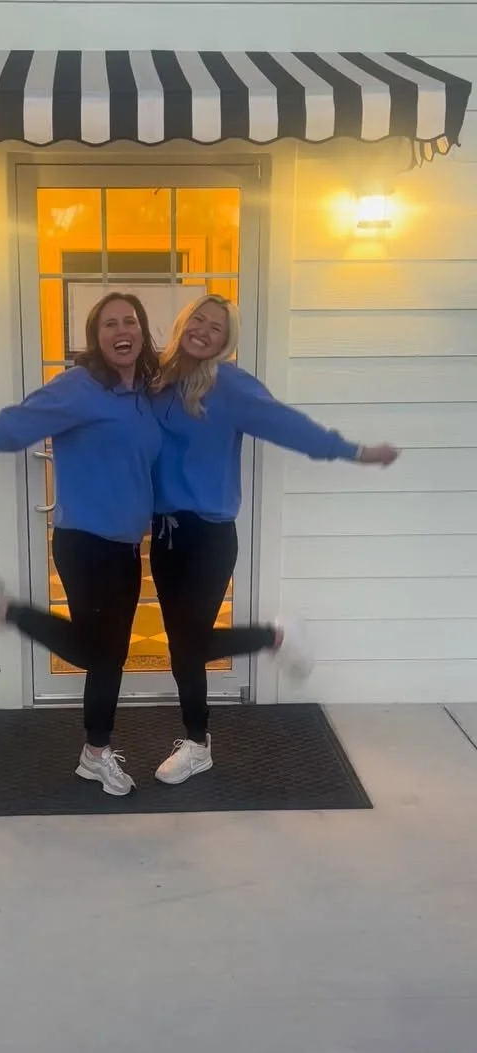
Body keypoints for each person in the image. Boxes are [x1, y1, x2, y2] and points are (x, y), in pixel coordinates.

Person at [0, 293, 162, 798]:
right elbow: (13, 425)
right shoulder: (79, 387)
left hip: (128, 548)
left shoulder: (146, 395)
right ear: (96, 337)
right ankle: (10, 617)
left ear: (142, 331)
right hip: (85, 543)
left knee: (108, 655)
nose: (121, 330)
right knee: (102, 655)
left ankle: (93, 752)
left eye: (129, 321)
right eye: (109, 323)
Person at [148, 294, 401, 786]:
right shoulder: (156, 381)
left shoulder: (230, 386)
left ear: (226, 342)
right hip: (163, 534)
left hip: (209, 535)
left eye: (218, 328)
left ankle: (215, 719)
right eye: (199, 319)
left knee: (190, 643)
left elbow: (288, 425)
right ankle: (201, 739)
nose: (204, 330)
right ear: (183, 322)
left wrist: (354, 451)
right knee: (183, 647)